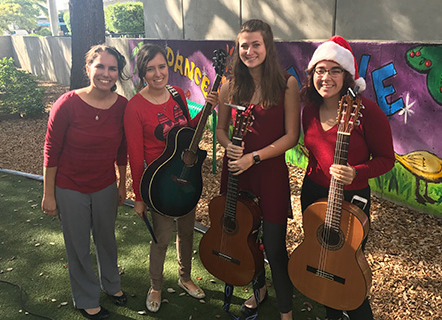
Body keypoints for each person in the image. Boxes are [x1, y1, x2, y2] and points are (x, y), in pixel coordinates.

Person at [299, 36, 395, 319]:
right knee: (322, 263)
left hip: (352, 199)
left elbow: (387, 160)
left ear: (347, 76)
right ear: (312, 74)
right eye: (320, 70)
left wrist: (356, 172)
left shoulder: (368, 113)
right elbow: (314, 153)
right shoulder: (309, 111)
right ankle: (331, 314)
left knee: (346, 268)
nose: (325, 77)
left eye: (334, 70)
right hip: (314, 194)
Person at [124, 44, 219, 313]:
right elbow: (135, 155)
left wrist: (207, 109)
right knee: (161, 239)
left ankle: (185, 277)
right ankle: (156, 285)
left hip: (186, 176)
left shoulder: (176, 94)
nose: (157, 73)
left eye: (162, 67)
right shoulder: (135, 108)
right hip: (160, 184)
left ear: (168, 68)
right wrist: (139, 198)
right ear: (142, 73)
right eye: (150, 69)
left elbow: (188, 133)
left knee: (187, 232)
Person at [216, 19, 300, 320]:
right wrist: (229, 146)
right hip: (237, 170)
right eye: (244, 46)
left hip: (269, 172)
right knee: (244, 238)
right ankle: (259, 289)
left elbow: (292, 136)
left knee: (275, 245)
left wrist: (254, 157)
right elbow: (221, 131)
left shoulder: (287, 84)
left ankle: (286, 312)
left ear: (268, 46)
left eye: (255, 45)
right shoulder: (230, 85)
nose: (249, 51)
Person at [41, 45, 129, 320]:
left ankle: (112, 285)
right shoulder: (67, 103)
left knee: (107, 240)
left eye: (112, 68)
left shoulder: (122, 106)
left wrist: (122, 184)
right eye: (100, 66)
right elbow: (51, 150)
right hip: (69, 187)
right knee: (78, 245)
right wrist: (49, 194)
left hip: (104, 185)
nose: (105, 73)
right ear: (88, 68)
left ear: (118, 73)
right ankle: (86, 298)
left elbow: (122, 151)